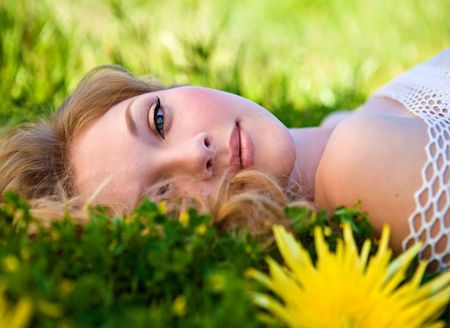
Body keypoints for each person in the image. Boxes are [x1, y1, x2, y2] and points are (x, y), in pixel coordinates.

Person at [1, 48, 449, 272]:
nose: (196, 153)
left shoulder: (345, 126)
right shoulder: (357, 167)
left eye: (158, 119)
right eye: (162, 197)